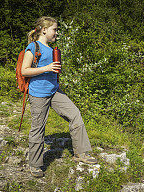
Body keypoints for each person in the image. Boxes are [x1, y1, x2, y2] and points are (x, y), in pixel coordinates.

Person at [21, 16, 97, 178]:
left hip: (54, 91)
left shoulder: (52, 49)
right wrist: (47, 68)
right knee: (38, 128)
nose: (57, 32)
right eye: (55, 29)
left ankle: (81, 153)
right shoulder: (33, 47)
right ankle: (35, 165)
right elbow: (24, 70)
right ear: (44, 30)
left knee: (75, 114)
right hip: (38, 94)